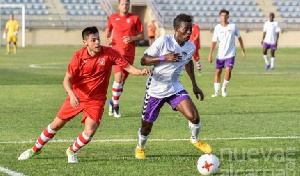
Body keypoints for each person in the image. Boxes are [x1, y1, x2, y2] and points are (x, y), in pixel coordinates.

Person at [17, 26, 151, 163]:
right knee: (56, 125)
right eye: (93, 40)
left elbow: (128, 67)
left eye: (98, 39)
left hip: (96, 100)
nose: (98, 42)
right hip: (77, 96)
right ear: (85, 42)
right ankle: (34, 150)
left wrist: (140, 72)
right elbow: (66, 80)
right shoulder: (78, 56)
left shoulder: (110, 53)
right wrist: (72, 94)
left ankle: (71, 151)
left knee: (90, 131)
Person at [134, 14, 212, 160]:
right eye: (185, 29)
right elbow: (144, 60)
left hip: (174, 88)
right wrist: (164, 57)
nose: (189, 32)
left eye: (190, 29)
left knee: (194, 117)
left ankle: (195, 139)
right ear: (176, 29)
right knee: (146, 127)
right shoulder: (164, 41)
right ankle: (140, 147)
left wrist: (195, 85)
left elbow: (188, 62)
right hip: (155, 89)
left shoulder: (190, 47)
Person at [105, 0, 144, 118]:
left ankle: (112, 101)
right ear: (119, 6)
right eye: (122, 4)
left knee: (122, 82)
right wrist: (108, 39)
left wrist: (132, 38)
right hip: (116, 53)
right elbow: (108, 30)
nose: (125, 6)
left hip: (129, 53)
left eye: (127, 4)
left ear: (129, 5)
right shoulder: (112, 17)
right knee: (118, 77)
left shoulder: (135, 18)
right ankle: (116, 107)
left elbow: (142, 35)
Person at [208, 9, 245, 98]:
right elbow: (214, 41)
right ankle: (216, 92)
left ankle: (224, 89)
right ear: (220, 17)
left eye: (225, 15)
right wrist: (210, 54)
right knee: (218, 72)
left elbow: (239, 37)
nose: (223, 17)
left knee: (228, 70)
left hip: (230, 53)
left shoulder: (233, 26)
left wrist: (243, 50)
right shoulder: (217, 27)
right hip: (220, 54)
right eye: (222, 15)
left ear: (228, 17)